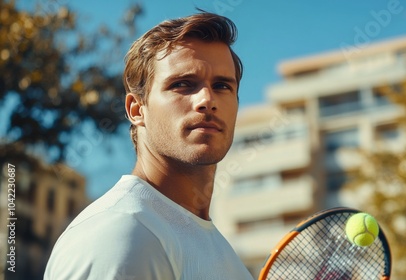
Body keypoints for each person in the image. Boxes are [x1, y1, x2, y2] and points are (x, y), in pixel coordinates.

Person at [44, 11, 253, 280]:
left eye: (222, 85)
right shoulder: (121, 233)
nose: (207, 99)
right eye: (183, 84)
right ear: (136, 109)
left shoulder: (219, 251)